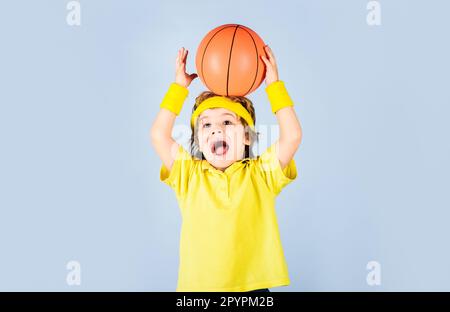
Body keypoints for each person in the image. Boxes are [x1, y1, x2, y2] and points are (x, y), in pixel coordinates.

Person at [151, 46, 302, 292]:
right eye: (206, 123)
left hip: (253, 289)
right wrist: (179, 88)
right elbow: (159, 135)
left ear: (246, 137)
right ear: (199, 140)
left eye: (227, 122)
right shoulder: (188, 175)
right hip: (200, 290)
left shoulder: (261, 174)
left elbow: (293, 135)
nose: (216, 129)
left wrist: (274, 86)